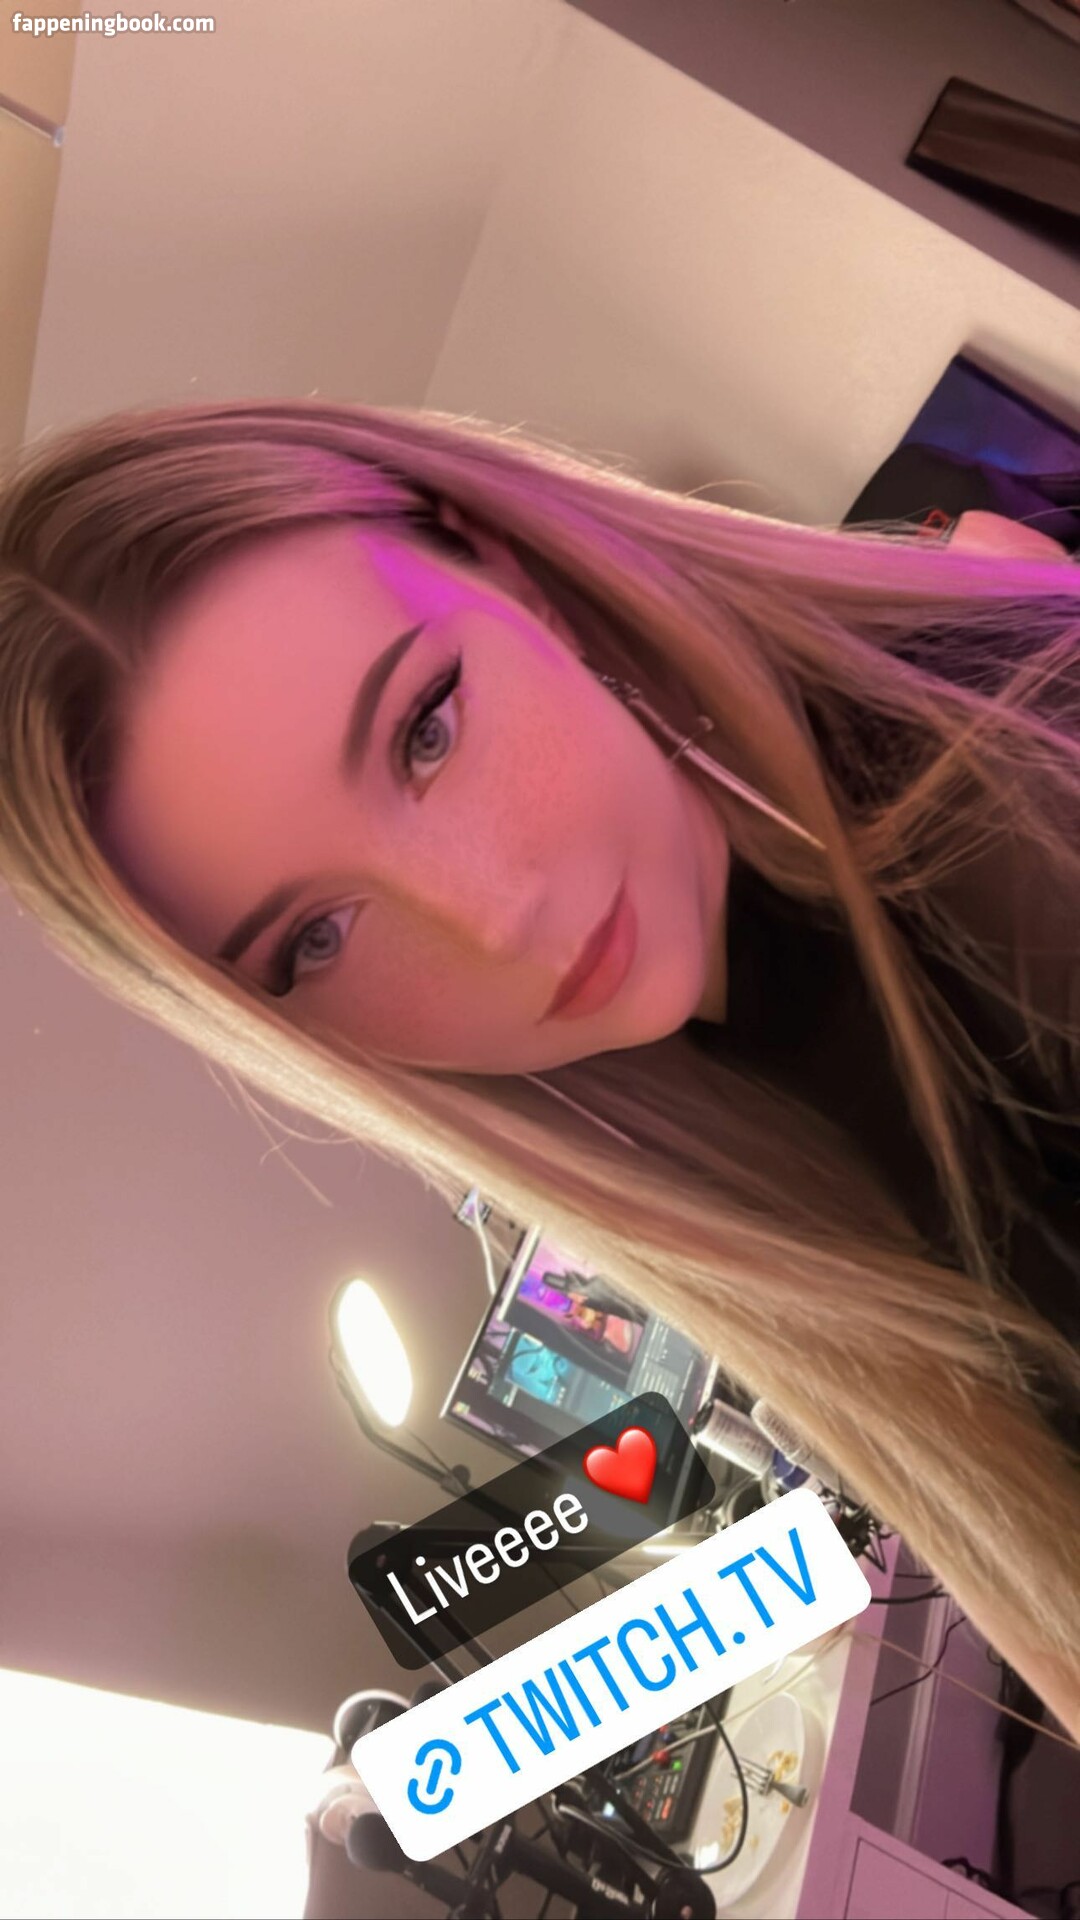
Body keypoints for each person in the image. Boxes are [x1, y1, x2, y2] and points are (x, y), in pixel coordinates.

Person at [0, 399, 1077, 1740]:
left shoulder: (1017, 819)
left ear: (511, 572)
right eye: (318, 937)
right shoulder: (714, 1120)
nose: (492, 918)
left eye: (429, 729)